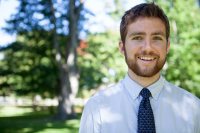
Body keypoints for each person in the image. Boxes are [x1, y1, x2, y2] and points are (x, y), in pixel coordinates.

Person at [79, 2, 200, 133]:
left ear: (168, 46)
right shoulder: (97, 109)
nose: (148, 47)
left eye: (157, 38)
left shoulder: (193, 108)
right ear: (122, 47)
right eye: (137, 38)